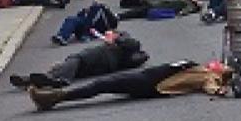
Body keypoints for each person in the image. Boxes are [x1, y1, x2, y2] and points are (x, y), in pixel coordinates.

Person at [26, 60, 233, 110]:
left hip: (150, 84)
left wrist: (221, 90)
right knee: (103, 84)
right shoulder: (199, 66)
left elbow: (211, 87)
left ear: (219, 73)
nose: (217, 63)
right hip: (145, 76)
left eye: (221, 66)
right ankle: (53, 95)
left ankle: (52, 98)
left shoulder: (209, 77)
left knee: (101, 85)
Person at [10, 31, 148, 89]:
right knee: (72, 64)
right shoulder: (113, 45)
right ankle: (32, 80)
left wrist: (116, 39)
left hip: (105, 59)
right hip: (100, 62)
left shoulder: (128, 42)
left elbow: (138, 50)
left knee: (76, 58)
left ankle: (62, 81)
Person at [51, 0, 119, 46]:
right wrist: (85, 11)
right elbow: (79, 15)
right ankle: (61, 36)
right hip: (85, 26)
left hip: (89, 28)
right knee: (71, 20)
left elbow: (90, 21)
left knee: (72, 20)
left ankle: (62, 37)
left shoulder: (100, 10)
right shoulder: (89, 12)